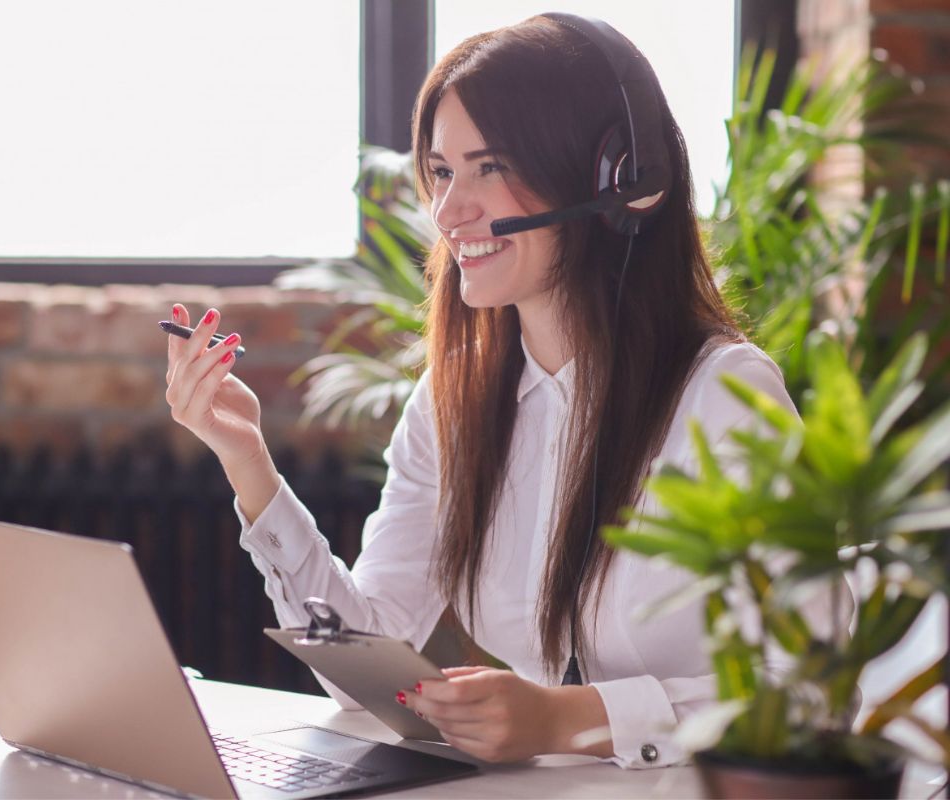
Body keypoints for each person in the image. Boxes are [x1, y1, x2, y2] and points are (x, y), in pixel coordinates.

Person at [164, 14, 829, 769]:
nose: (449, 213)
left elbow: (804, 690)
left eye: (490, 166)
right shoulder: (453, 406)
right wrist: (248, 465)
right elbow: (364, 661)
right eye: (443, 172)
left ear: (617, 183)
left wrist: (568, 721)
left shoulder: (721, 397)